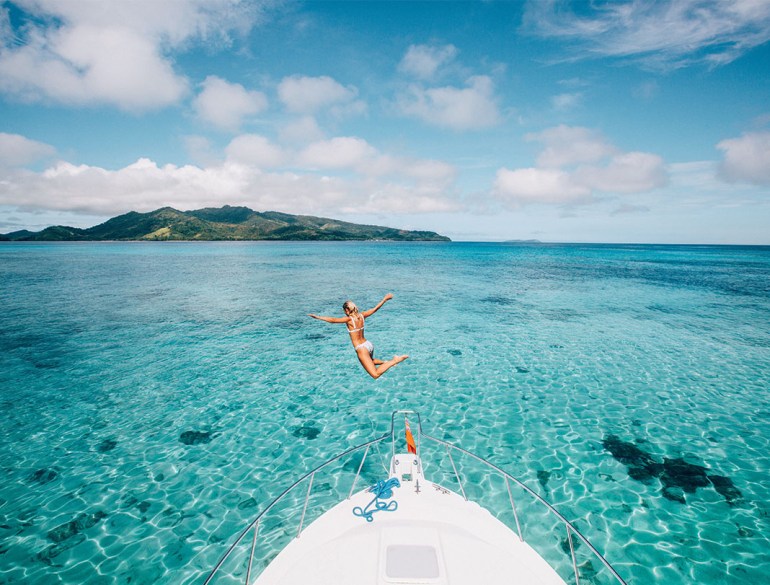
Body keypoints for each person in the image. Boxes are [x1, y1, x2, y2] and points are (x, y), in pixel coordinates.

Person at [309, 293, 408, 379]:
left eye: (344, 311)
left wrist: (318, 317)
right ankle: (386, 362)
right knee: (371, 361)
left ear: (347, 310)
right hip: (368, 344)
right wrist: (384, 299)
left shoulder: (349, 319)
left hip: (361, 348)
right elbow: (375, 309)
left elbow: (333, 320)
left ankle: (394, 360)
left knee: (375, 374)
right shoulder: (362, 315)